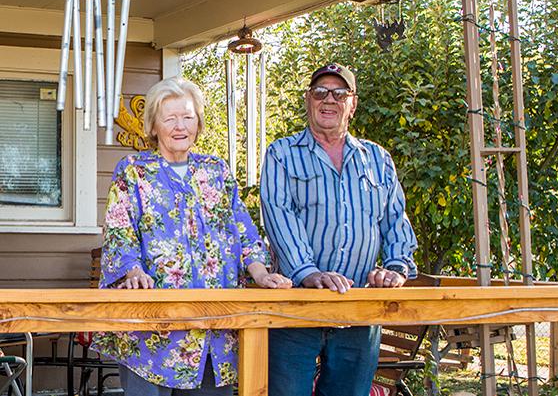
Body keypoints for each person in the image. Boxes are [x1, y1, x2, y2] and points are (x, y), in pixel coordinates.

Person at [92, 77, 292, 396]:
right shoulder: (133, 170)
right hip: (153, 334)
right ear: (154, 126)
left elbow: (243, 228)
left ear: (198, 122)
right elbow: (119, 230)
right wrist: (133, 270)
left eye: (187, 116)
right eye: (169, 118)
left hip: (214, 329)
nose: (179, 126)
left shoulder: (217, 171)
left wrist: (261, 272)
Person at [260, 63, 418, 396]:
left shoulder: (377, 159)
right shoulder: (282, 154)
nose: (328, 100)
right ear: (308, 101)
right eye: (320, 93)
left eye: (339, 93)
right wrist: (308, 272)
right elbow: (278, 216)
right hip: (296, 308)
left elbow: (395, 220)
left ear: (352, 104)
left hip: (358, 309)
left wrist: (396, 268)